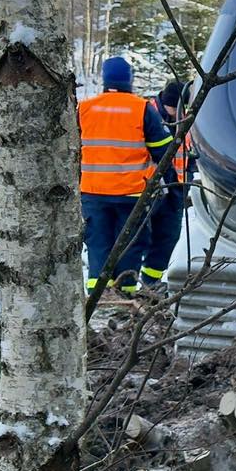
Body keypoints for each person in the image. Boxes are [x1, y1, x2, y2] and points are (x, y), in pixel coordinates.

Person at [79, 56, 172, 296]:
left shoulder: (85, 108)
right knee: (131, 243)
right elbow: (163, 150)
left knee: (98, 244)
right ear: (129, 80)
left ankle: (98, 295)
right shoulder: (141, 108)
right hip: (132, 193)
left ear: (104, 79)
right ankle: (126, 292)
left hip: (93, 192)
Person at [139, 79, 195, 294]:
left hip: (177, 185)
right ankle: (124, 283)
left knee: (168, 235)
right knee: (140, 235)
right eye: (173, 108)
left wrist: (189, 173)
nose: (175, 113)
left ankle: (150, 282)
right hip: (150, 185)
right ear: (165, 101)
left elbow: (188, 149)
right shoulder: (147, 112)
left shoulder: (185, 116)